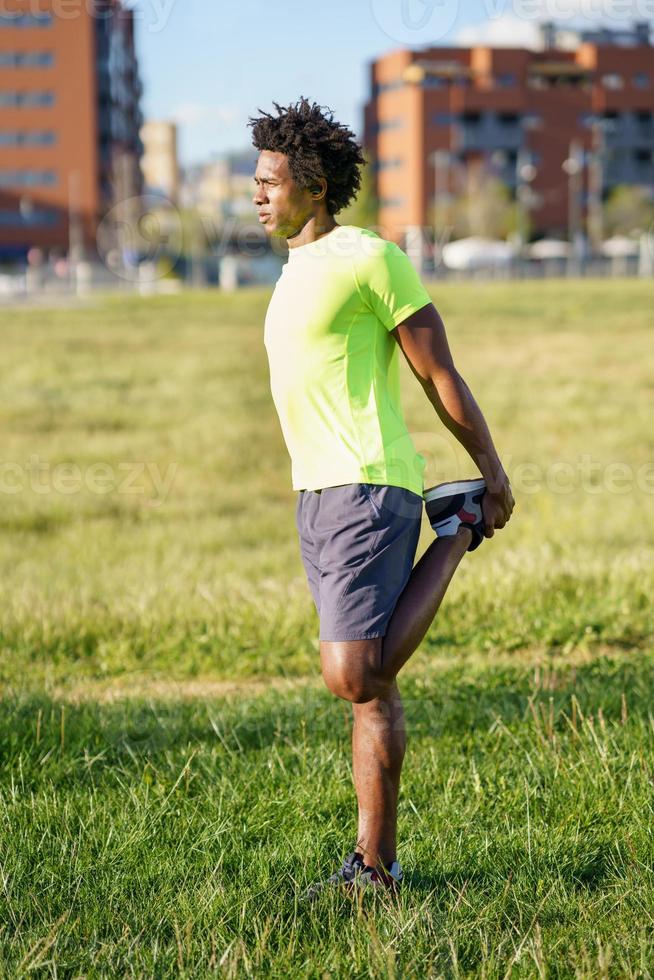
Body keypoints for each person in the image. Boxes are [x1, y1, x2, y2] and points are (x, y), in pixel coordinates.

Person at [248, 97, 515, 898]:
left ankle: (459, 525)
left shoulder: (370, 257)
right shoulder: (295, 272)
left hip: (368, 481)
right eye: (253, 182)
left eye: (269, 182)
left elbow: (438, 373)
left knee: (355, 672)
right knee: (374, 690)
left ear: (315, 185)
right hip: (318, 494)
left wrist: (490, 471)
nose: (255, 194)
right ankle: (377, 867)